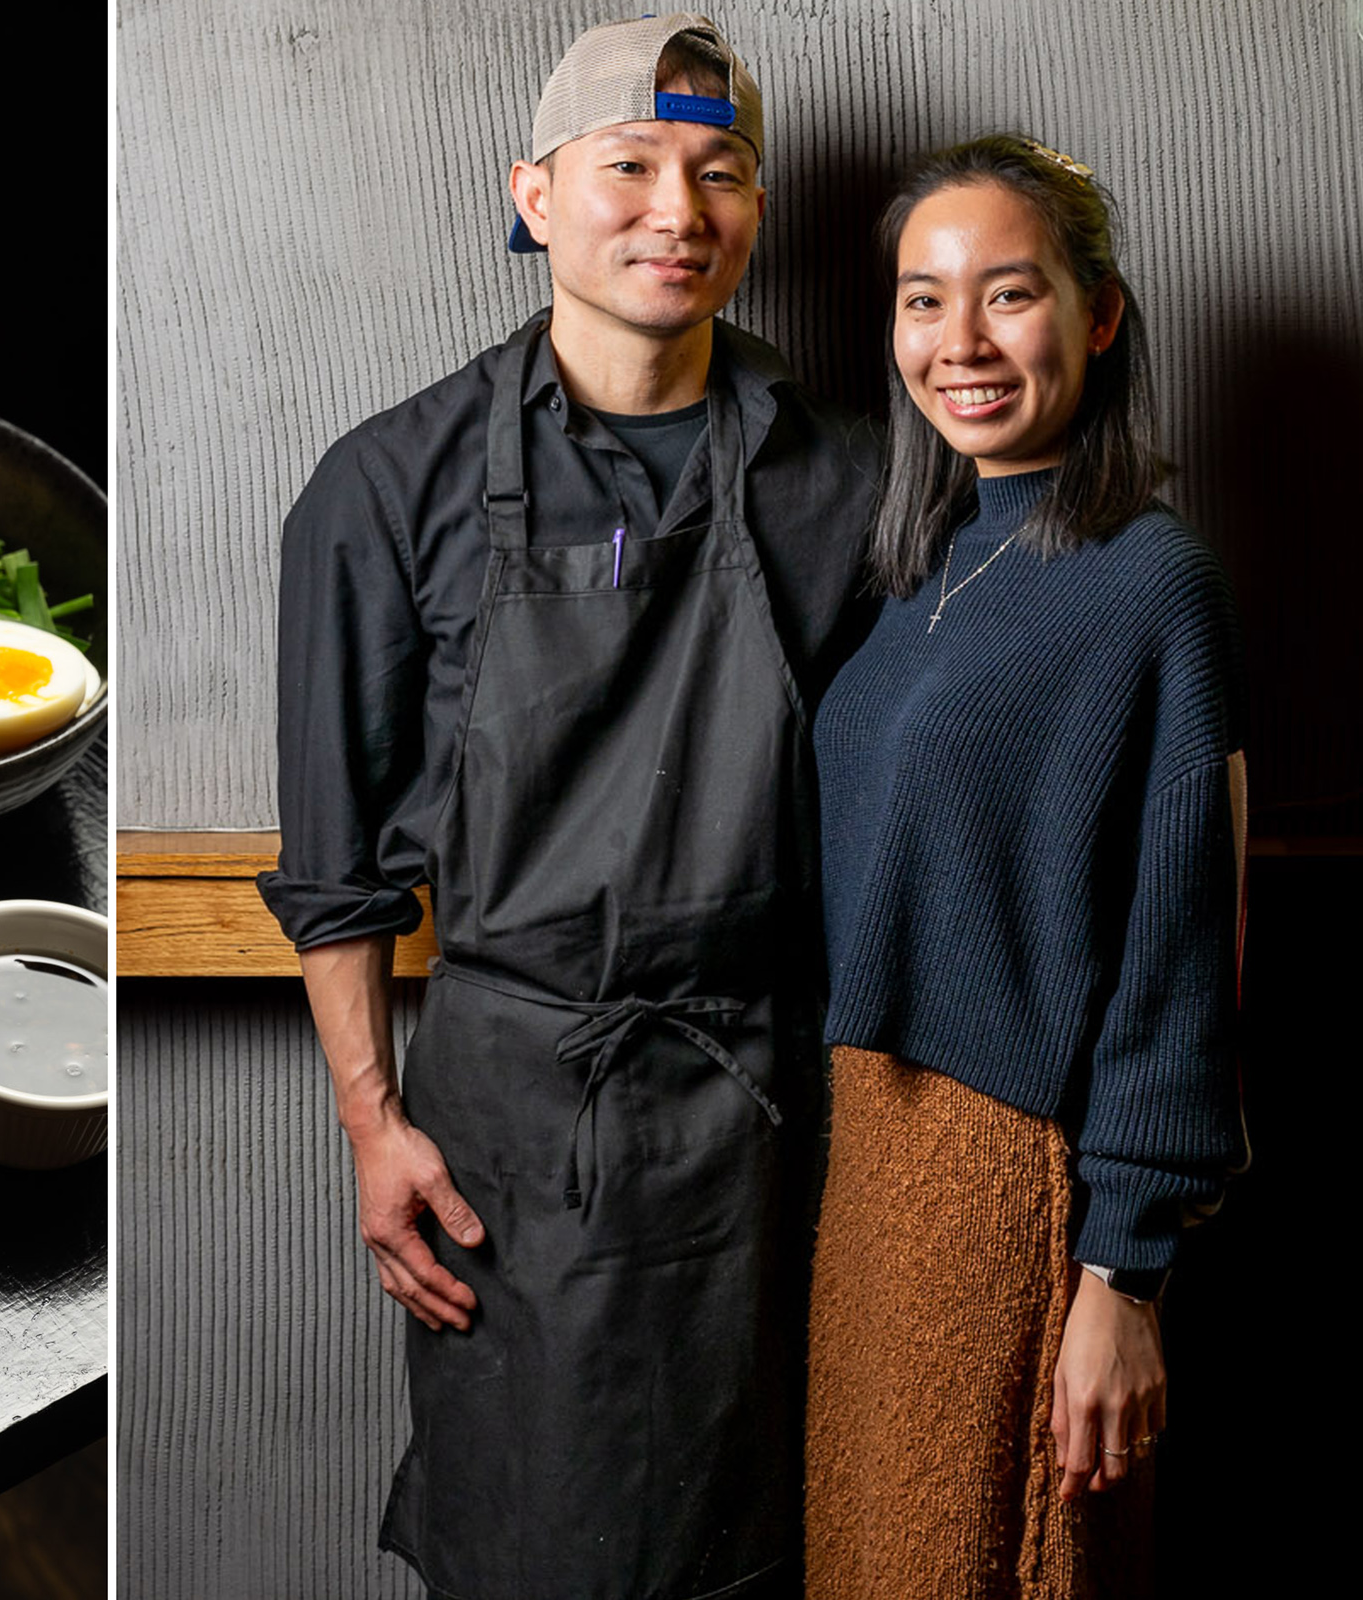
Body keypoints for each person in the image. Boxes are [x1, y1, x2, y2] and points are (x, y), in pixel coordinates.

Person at [256, 14, 878, 1598]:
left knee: (772, 1540)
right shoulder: (385, 486)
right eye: (632, 166)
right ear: (535, 196)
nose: (678, 208)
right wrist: (370, 1124)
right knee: (539, 1536)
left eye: (718, 173)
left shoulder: (854, 481)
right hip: (514, 1121)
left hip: (770, 1111)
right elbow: (337, 874)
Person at [804, 134, 1245, 1599]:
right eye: (924, 302)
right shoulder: (922, 560)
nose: (961, 343)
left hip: (1012, 1180)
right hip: (871, 1159)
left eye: (1009, 295)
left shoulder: (1148, 579)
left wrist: (1121, 1279)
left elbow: (1179, 950)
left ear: (1099, 313)